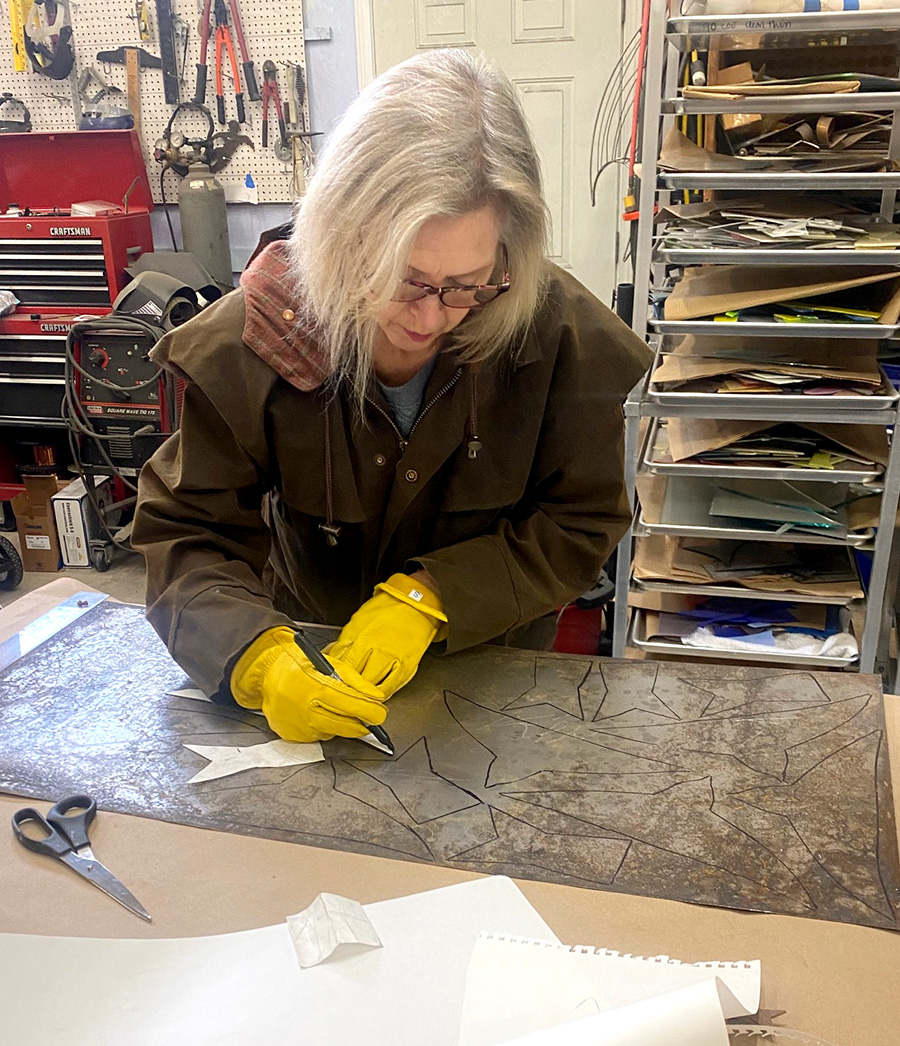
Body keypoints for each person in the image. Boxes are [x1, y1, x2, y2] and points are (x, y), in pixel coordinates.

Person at [132, 48, 650, 745]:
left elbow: (579, 520)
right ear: (339, 236)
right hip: (312, 664)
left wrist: (431, 598)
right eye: (403, 278)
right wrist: (254, 658)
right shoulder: (255, 338)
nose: (431, 317)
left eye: (465, 285)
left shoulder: (557, 334)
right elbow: (188, 532)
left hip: (494, 673)